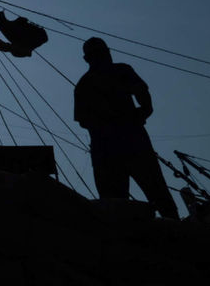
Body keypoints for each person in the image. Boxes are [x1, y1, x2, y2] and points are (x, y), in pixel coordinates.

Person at [74, 37, 178, 219]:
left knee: (119, 205)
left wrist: (137, 115)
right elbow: (143, 98)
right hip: (125, 145)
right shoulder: (115, 73)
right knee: (151, 195)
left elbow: (84, 121)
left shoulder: (86, 84)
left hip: (110, 149)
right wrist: (137, 115)